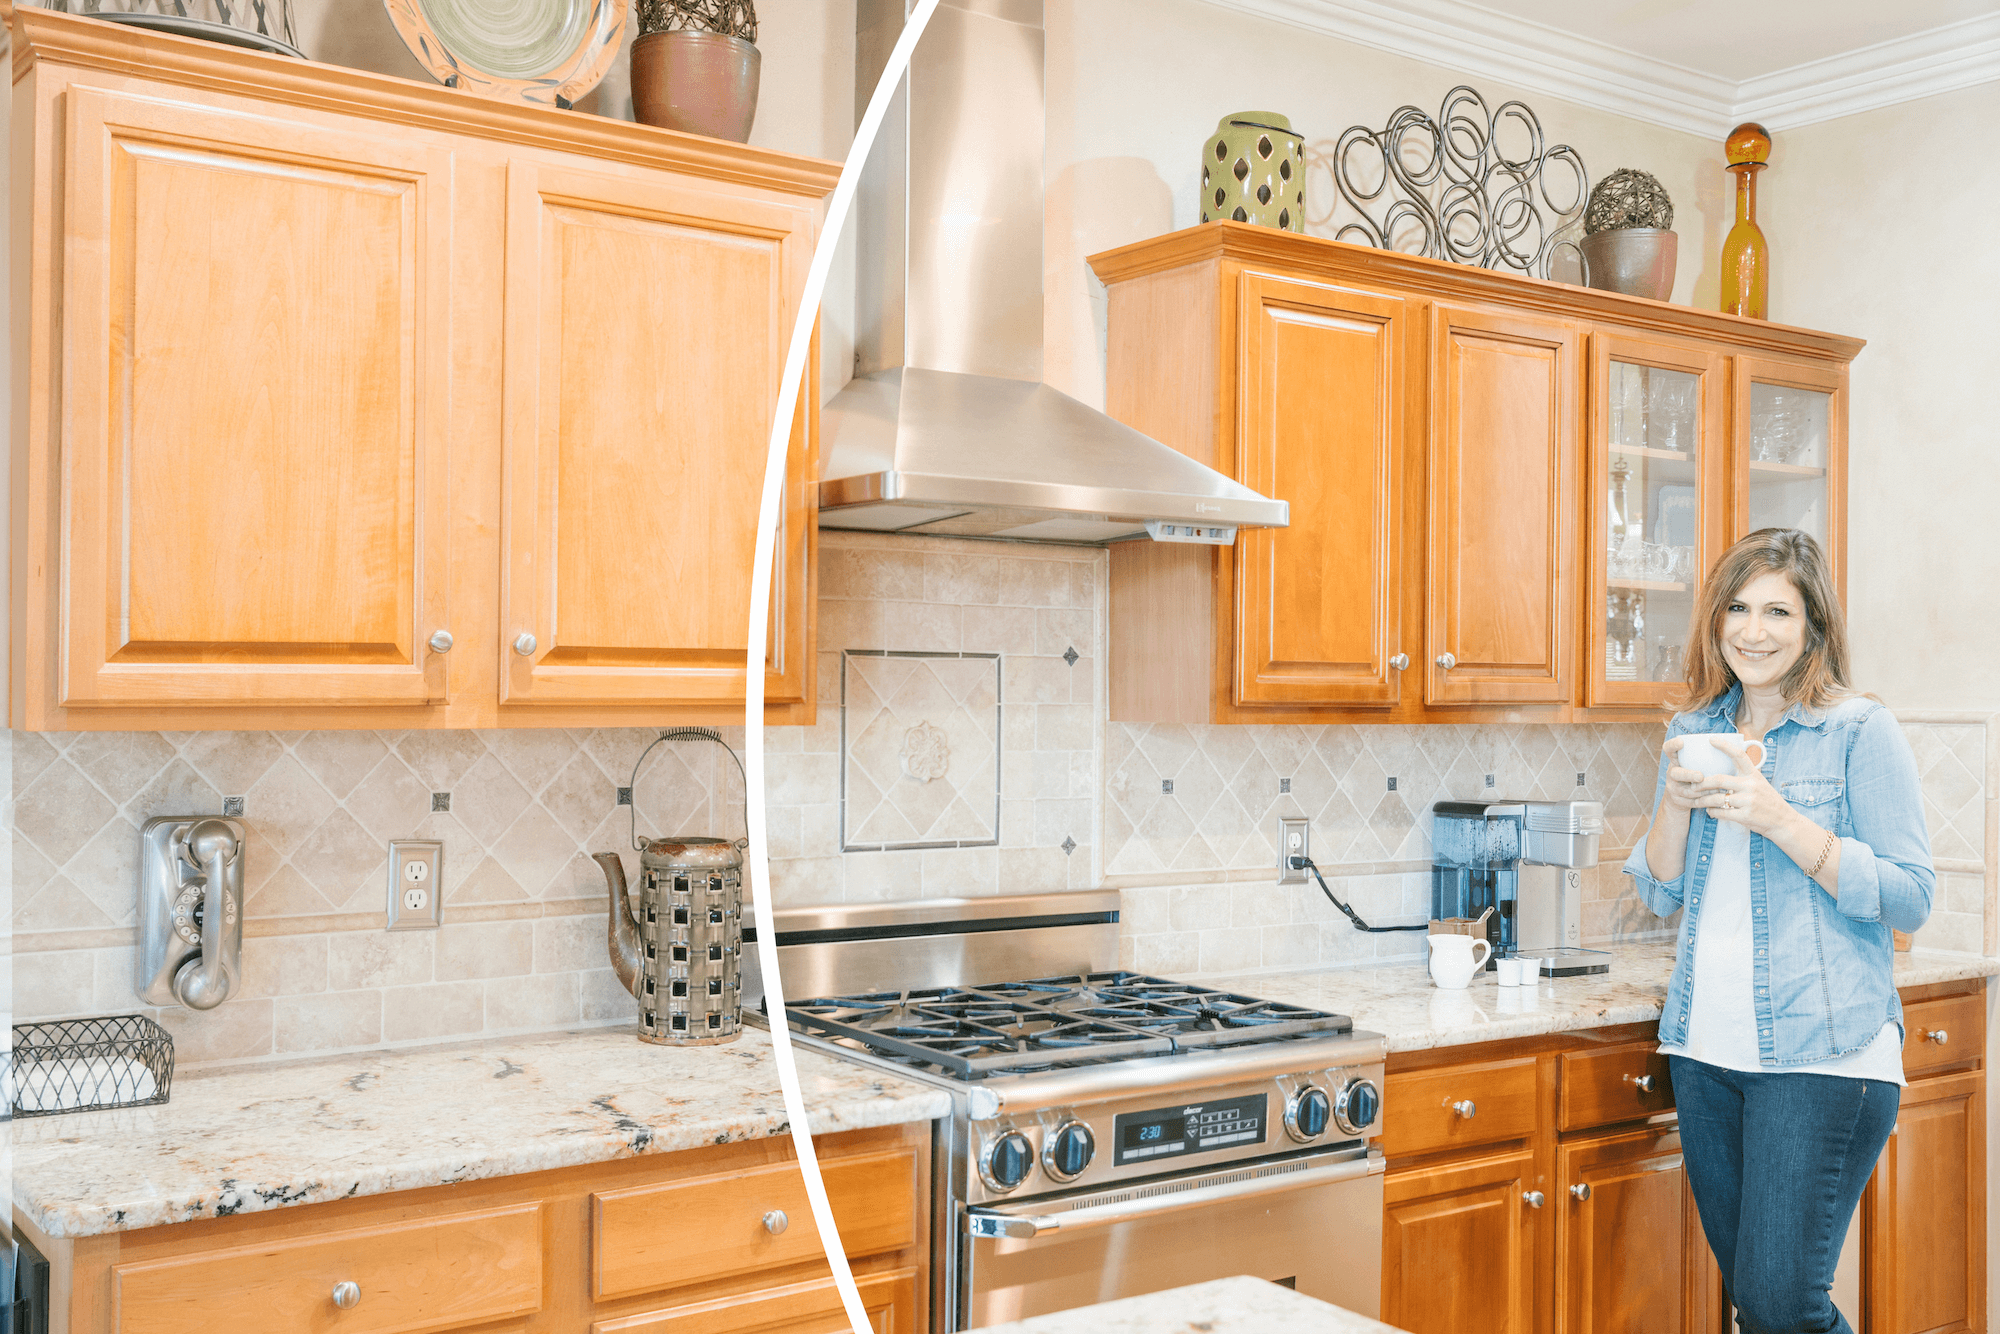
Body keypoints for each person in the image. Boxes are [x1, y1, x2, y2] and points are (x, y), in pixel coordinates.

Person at [1624, 527, 1933, 1334]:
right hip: (1704, 1053)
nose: (1752, 631)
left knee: (1779, 1303)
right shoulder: (1695, 728)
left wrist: (1782, 819)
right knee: (1761, 1310)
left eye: (1777, 612)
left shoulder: (1858, 730)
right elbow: (1657, 891)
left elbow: (1910, 897)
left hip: (1823, 1054)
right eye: (1737, 608)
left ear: (1813, 627)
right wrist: (1675, 802)